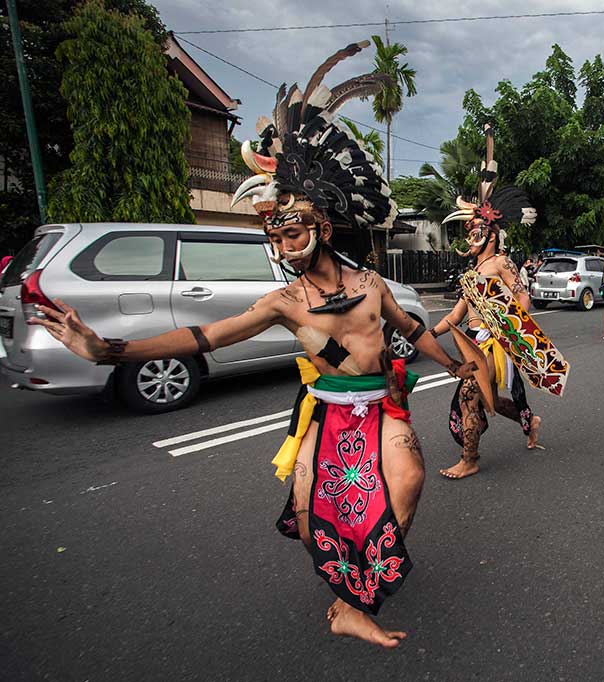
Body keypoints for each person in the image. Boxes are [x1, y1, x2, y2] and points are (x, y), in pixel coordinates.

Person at [30, 46, 475, 648]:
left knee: (409, 482)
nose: (284, 244)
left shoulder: (370, 284)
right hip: (330, 409)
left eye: (292, 231)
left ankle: (359, 586)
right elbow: (203, 337)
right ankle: (349, 601)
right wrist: (109, 350)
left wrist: (456, 365)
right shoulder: (283, 303)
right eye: (276, 235)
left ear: (319, 227)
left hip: (384, 404)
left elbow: (412, 331)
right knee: (313, 511)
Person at [430, 124, 566, 480]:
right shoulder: (472, 273)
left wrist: (505, 320)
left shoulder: (501, 263)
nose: (470, 237)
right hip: (472, 341)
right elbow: (458, 314)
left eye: (476, 231)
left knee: (470, 396)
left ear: (490, 234)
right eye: (468, 232)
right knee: (491, 399)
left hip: (493, 344)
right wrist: (424, 333)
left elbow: (523, 296)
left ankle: (470, 458)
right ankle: (529, 420)